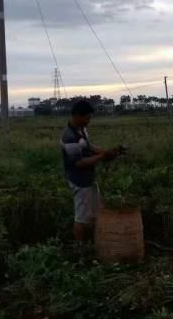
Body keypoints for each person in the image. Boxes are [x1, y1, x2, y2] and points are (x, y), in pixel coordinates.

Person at [60, 100, 124, 241]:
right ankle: (80, 249)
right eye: (86, 118)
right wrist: (101, 156)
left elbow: (88, 146)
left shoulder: (81, 129)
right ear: (76, 115)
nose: (88, 121)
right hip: (79, 181)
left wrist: (104, 151)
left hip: (88, 178)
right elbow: (79, 163)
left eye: (90, 118)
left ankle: (97, 242)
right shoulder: (69, 137)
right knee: (81, 217)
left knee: (96, 211)